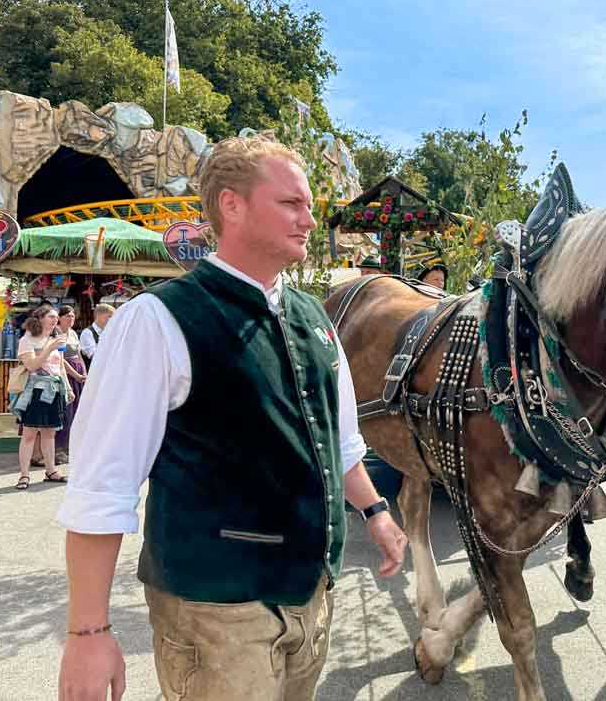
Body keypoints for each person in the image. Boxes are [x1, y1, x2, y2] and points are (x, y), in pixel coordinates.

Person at [57, 136, 409, 701]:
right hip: (214, 610)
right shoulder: (158, 319)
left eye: (310, 206)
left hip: (311, 595)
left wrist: (375, 511)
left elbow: (339, 443)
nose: (309, 219)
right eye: (291, 204)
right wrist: (88, 633)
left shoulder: (313, 318)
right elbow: (101, 489)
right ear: (231, 205)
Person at [13, 304, 70, 489]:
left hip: (54, 389)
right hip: (35, 390)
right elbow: (31, 366)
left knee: (50, 433)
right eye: (50, 317)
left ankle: (51, 470)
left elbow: (60, 366)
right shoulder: (28, 339)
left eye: (56, 317)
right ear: (40, 319)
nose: (55, 320)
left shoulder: (55, 338)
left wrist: (67, 388)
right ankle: (24, 475)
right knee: (29, 433)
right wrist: (49, 348)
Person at [54, 306, 87, 464]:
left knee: (76, 412)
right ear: (59, 317)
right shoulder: (56, 333)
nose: (71, 318)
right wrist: (76, 374)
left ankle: (70, 447)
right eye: (67, 315)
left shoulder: (73, 333)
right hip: (64, 374)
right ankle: (58, 450)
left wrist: (84, 373)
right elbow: (61, 359)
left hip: (78, 374)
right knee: (65, 413)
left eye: (73, 315)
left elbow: (79, 355)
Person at [78, 303, 115, 368]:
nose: (111, 320)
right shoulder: (87, 333)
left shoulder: (109, 332)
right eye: (109, 316)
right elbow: (93, 355)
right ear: (98, 316)